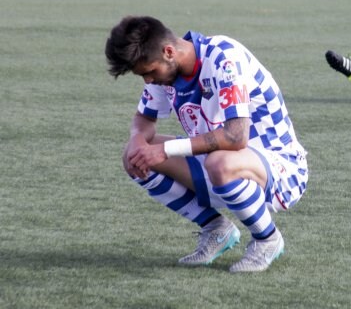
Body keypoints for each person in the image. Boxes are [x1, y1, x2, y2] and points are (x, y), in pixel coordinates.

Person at [105, 16, 308, 273]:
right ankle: (216, 229)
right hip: (221, 162)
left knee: (220, 161)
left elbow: (235, 136)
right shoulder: (165, 74)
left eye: (149, 72)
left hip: (281, 168)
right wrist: (137, 141)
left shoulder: (224, 57)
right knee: (135, 155)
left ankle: (267, 239)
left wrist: (164, 150)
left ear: (169, 52)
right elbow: (143, 120)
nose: (148, 81)